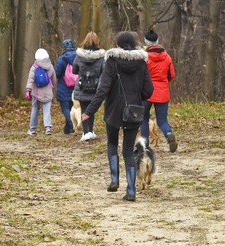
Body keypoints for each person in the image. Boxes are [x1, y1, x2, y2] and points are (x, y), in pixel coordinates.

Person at [82, 31, 153, 202]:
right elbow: (149, 91)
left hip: (113, 110)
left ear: (118, 45)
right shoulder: (142, 64)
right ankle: (131, 191)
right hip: (134, 111)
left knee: (112, 143)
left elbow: (103, 89)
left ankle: (114, 179)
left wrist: (89, 111)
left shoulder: (112, 61)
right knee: (128, 151)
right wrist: (136, 96)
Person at [140, 29, 178, 152]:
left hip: (146, 92)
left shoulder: (144, 57)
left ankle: (145, 145)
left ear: (145, 42)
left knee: (144, 119)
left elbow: (140, 75)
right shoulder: (167, 57)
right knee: (162, 120)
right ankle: (168, 134)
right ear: (158, 41)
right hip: (162, 92)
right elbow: (171, 75)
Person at [72, 31, 106, 141]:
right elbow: (104, 71)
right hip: (95, 86)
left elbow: (74, 70)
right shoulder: (101, 56)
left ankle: (86, 132)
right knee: (92, 109)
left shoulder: (79, 55)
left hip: (82, 85)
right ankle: (90, 131)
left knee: (84, 109)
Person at [25, 48, 56, 135]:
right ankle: (48, 128)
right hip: (48, 92)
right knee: (47, 110)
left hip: (36, 93)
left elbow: (30, 79)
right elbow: (54, 79)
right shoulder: (50, 66)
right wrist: (53, 87)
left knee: (35, 109)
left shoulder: (34, 67)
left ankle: (32, 129)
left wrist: (28, 89)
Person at [55, 39, 78, 135]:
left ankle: (73, 125)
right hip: (76, 87)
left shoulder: (62, 59)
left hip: (64, 87)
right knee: (72, 108)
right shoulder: (78, 57)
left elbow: (57, 73)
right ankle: (67, 129)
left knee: (65, 108)